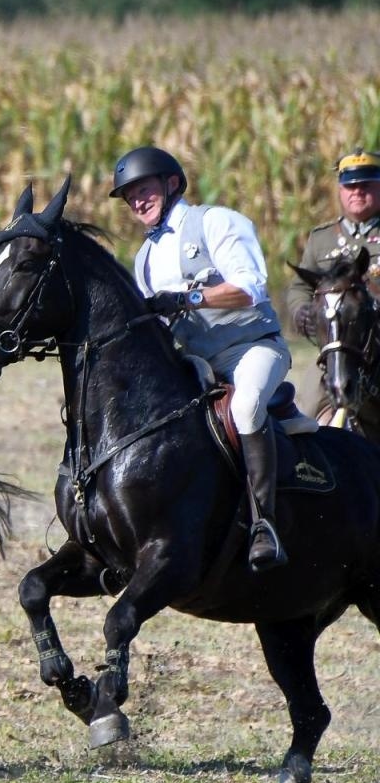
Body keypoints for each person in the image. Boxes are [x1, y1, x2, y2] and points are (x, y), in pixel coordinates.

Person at [110, 145, 290, 571]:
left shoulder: (216, 221)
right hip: (195, 362)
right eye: (130, 196)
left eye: (144, 189)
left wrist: (189, 297)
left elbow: (250, 288)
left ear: (172, 183)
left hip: (251, 349)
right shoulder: (144, 258)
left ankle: (265, 524)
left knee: (245, 409)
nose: (137, 201)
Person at [286, 148, 380, 422]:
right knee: (306, 409)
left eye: (366, 185)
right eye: (350, 186)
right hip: (339, 346)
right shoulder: (322, 239)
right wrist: (301, 311)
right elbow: (299, 288)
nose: (357, 192)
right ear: (340, 190)